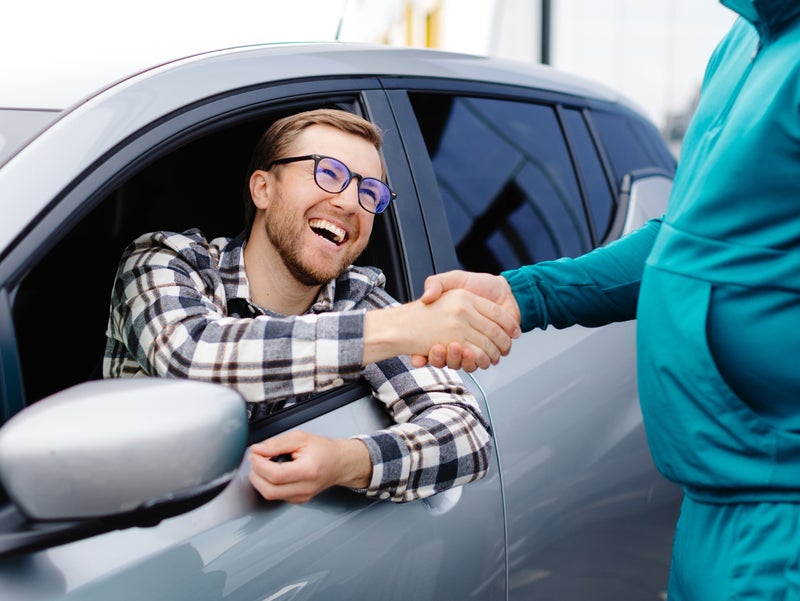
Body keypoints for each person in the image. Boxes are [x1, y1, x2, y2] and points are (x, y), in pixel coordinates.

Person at [418, 1, 800, 598]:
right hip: (714, 499)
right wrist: (525, 294)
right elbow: (683, 236)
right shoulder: (742, 44)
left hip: (783, 509)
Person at [103, 108, 519, 505]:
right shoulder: (164, 260)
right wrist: (404, 327)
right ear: (263, 188)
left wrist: (348, 462)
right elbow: (191, 355)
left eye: (369, 191)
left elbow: (469, 435)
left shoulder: (358, 300)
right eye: (329, 173)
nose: (351, 203)